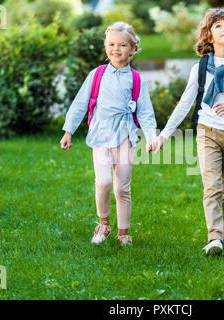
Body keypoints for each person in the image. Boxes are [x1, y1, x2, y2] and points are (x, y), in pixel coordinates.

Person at [147, 7, 224, 256]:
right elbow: (185, 103)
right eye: (218, 26)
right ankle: (215, 237)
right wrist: (164, 134)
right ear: (209, 36)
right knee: (212, 187)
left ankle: (223, 230)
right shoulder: (201, 68)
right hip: (207, 131)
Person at [60, 22, 157, 246]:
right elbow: (79, 104)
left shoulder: (136, 79)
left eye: (122, 45)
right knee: (103, 181)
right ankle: (103, 224)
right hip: (101, 134)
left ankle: (123, 233)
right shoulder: (97, 75)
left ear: (133, 49)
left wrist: (151, 137)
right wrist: (68, 130)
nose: (116, 49)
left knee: (122, 187)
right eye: (111, 44)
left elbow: (146, 112)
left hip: (125, 135)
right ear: (105, 47)